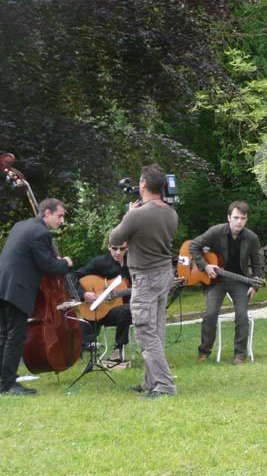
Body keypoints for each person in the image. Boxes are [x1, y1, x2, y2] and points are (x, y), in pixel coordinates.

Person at [109, 164, 178, 397]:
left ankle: (165, 385)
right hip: (164, 274)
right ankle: (150, 383)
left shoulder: (137, 214)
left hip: (146, 278)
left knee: (145, 332)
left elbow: (115, 238)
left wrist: (128, 213)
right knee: (156, 330)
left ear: (144, 184)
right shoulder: (171, 212)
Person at [0, 198, 72, 395]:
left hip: (3, 286)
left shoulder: (21, 226)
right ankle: (7, 385)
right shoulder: (41, 233)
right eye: (59, 216)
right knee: (15, 336)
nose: (61, 220)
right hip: (18, 289)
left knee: (4, 335)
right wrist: (66, 262)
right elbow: (48, 266)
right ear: (46, 213)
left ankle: (3, 381)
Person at [190, 201, 263, 364]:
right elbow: (193, 246)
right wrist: (205, 265)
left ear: (246, 219)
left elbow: (257, 265)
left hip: (240, 281)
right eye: (236, 217)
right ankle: (204, 351)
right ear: (229, 217)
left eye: (243, 218)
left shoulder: (251, 238)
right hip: (216, 280)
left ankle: (240, 354)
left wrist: (254, 284)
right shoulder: (216, 231)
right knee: (210, 314)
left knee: (242, 316)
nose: (239, 222)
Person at [68, 241, 133, 362]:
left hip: (122, 310)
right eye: (114, 248)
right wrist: (84, 294)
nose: (118, 252)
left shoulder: (133, 263)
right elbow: (72, 276)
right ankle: (82, 345)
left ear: (127, 247)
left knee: (128, 309)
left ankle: (117, 349)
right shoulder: (100, 262)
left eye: (122, 249)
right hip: (98, 310)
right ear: (109, 247)